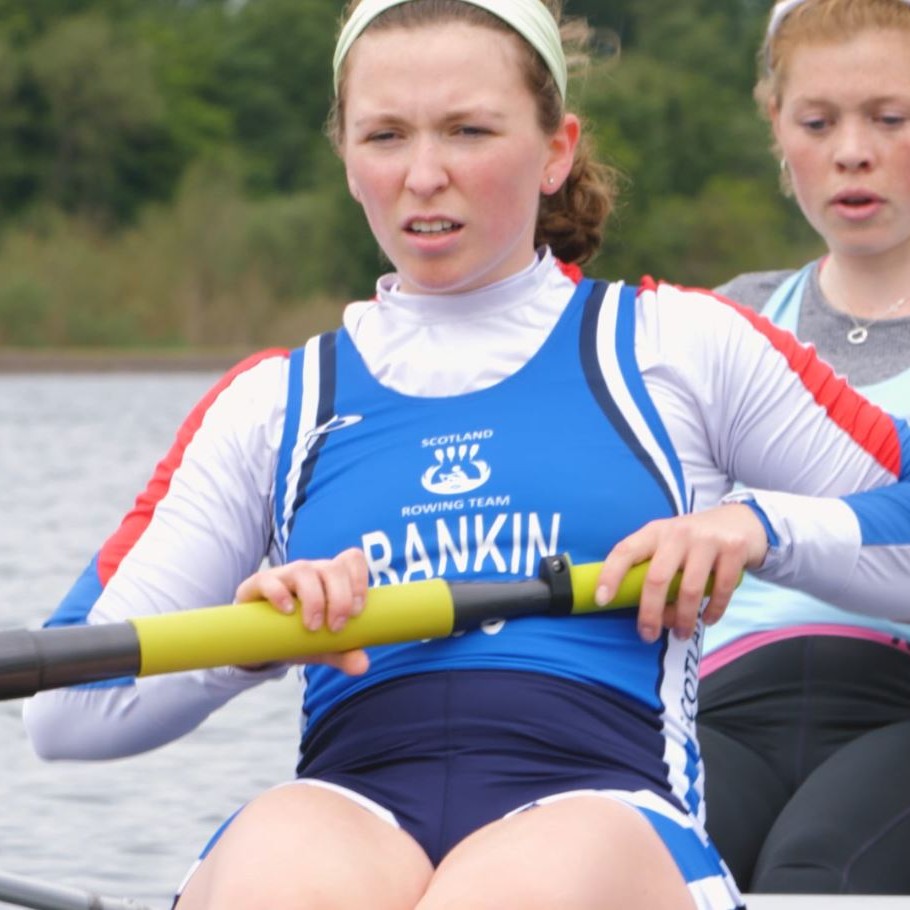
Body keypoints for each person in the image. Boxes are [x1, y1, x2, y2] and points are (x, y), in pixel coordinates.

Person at [20, 0, 910, 907]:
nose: (424, 174)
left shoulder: (679, 344)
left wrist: (759, 529)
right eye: (386, 136)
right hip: (351, 804)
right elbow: (66, 710)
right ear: (347, 159)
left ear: (556, 150)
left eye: (468, 131)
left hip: (599, 808)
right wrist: (254, 645)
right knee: (277, 858)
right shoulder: (270, 406)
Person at [698, 0, 910, 896]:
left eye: (891, 118)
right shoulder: (726, 322)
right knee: (645, 859)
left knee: (809, 873)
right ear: (779, 130)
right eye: (817, 122)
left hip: (893, 705)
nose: (852, 152)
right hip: (722, 702)